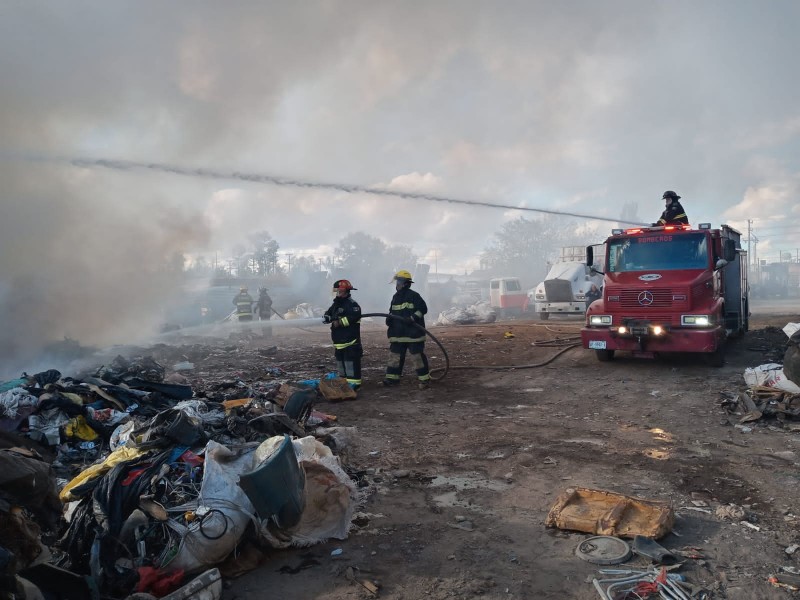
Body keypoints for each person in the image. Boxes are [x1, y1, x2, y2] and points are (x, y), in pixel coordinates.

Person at [380, 269, 431, 390]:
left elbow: (423, 309)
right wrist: (389, 319)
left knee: (417, 357)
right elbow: (392, 312)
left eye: (398, 282)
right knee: (395, 357)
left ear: (404, 283)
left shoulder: (414, 296)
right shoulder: (395, 297)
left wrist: (413, 318)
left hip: (413, 334)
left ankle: (424, 380)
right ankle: (392, 379)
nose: (396, 285)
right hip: (398, 334)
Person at [323, 280, 363, 390]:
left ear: (344, 291)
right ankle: (343, 385)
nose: (336, 293)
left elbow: (354, 317)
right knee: (341, 367)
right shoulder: (336, 303)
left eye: (338, 291)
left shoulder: (352, 304)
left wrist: (340, 322)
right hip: (339, 342)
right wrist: (326, 316)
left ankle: (354, 386)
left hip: (350, 343)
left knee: (351, 366)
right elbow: (329, 312)